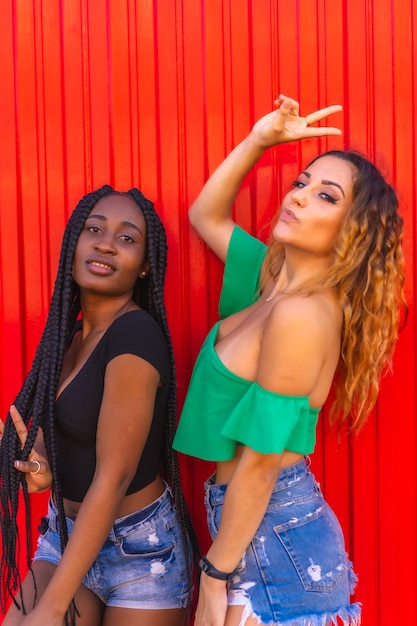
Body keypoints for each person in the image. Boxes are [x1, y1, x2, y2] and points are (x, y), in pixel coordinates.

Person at [173, 95, 406, 626]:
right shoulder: (273, 285)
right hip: (249, 527)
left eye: (325, 196)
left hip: (275, 536)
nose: (298, 197)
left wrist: (214, 578)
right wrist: (261, 139)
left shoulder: (305, 314)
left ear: (353, 232)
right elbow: (204, 214)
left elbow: (259, 458)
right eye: (300, 183)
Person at [0, 186, 199, 626]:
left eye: (127, 238)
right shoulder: (68, 337)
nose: (106, 243)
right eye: (94, 230)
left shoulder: (134, 335)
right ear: (74, 244)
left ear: (146, 266)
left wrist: (52, 608)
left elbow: (115, 474)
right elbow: (78, 432)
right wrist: (42, 469)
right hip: (67, 536)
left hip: (140, 548)